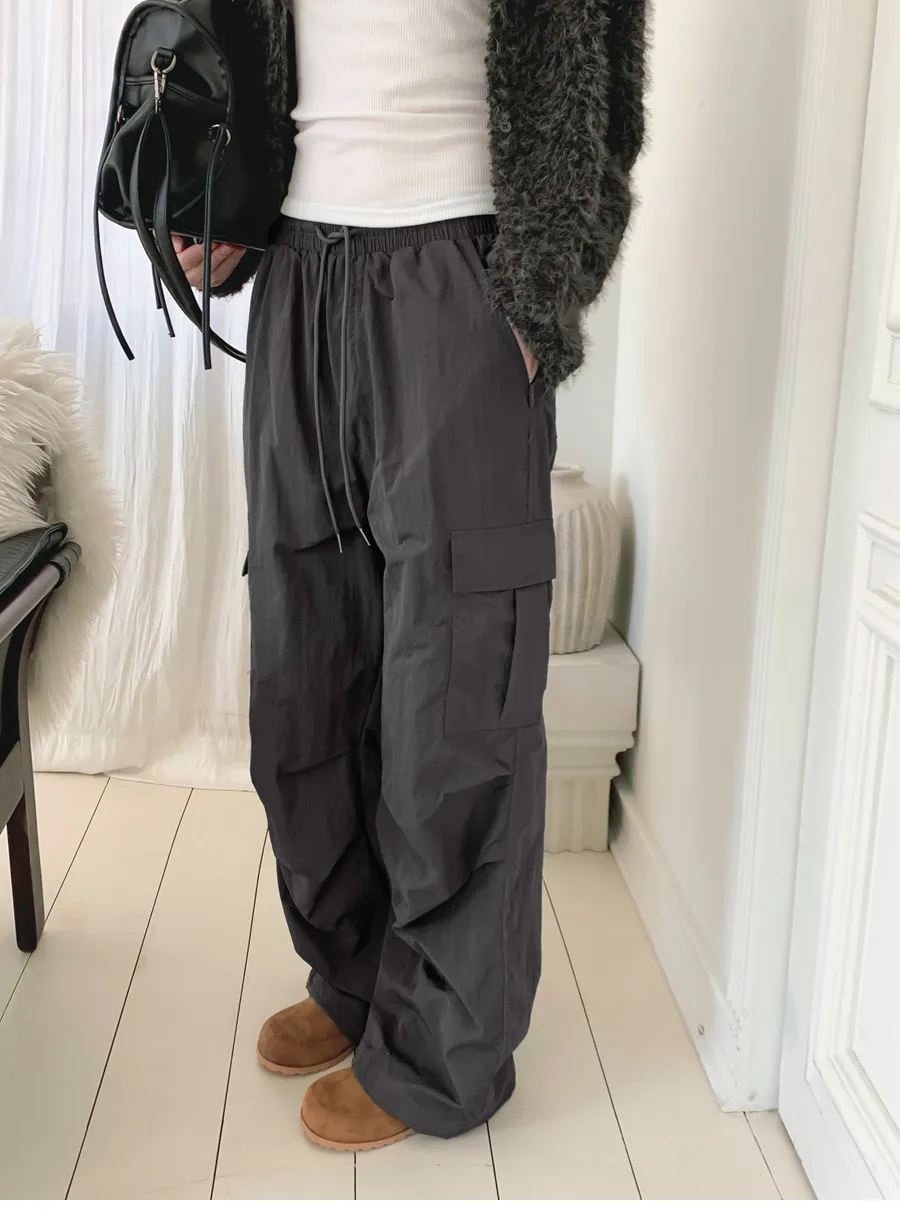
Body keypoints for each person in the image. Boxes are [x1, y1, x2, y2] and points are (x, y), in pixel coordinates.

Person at [175, 0, 646, 1153]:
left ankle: (443, 1049)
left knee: (457, 684)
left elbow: (605, 93)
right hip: (299, 273)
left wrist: (537, 295)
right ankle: (357, 974)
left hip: (457, 270)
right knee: (304, 674)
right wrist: (219, 214)